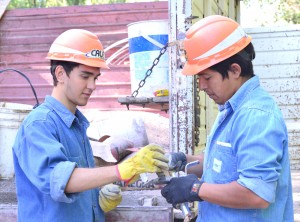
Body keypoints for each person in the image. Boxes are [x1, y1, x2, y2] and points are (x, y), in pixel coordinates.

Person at [12, 29, 169, 222]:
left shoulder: (76, 125)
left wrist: (97, 199)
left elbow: (80, 181)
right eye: (85, 76)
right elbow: (62, 180)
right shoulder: (39, 125)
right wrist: (122, 169)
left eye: (95, 78)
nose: (92, 85)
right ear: (60, 73)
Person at [161, 15, 294, 221]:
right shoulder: (232, 107)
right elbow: (223, 164)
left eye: (207, 77)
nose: (202, 86)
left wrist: (195, 189)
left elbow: (257, 193)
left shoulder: (255, 116)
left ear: (235, 70)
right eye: (199, 79)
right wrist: (183, 161)